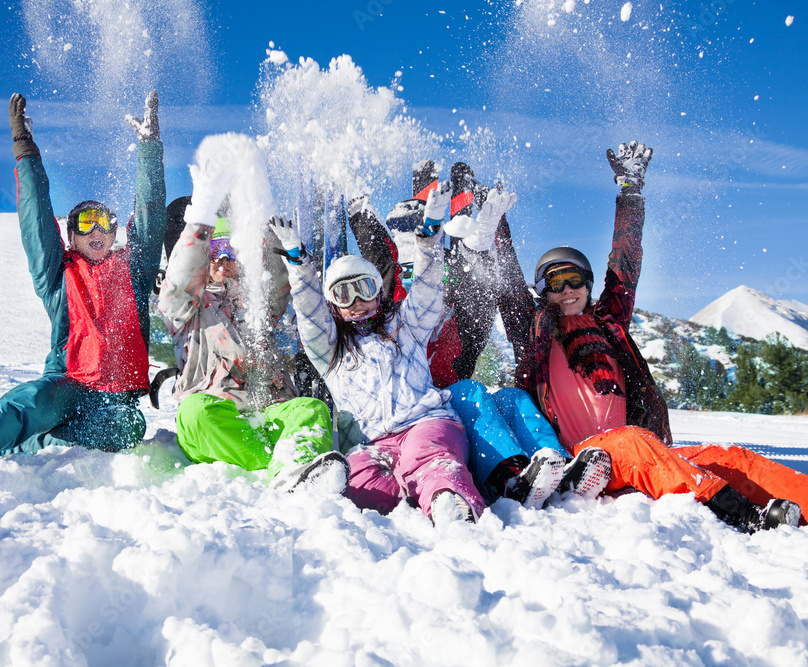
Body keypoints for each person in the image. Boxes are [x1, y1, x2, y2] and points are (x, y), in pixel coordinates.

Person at [459, 140, 803, 532]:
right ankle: (743, 514)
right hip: (581, 461)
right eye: (555, 282)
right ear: (542, 291)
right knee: (631, 442)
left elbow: (625, 262)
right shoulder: (537, 330)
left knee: (733, 457)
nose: (567, 289)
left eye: (575, 279)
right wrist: (493, 219)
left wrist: (631, 189)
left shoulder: (609, 323)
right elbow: (506, 281)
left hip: (644, 449)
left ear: (588, 285)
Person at [0, 91, 166, 471]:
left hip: (117, 396)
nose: (96, 230)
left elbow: (151, 220)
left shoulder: (133, 273)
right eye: (85, 224)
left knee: (129, 428)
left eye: (105, 222)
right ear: (71, 237)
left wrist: (150, 150)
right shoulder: (60, 274)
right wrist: (25, 150)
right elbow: (37, 224)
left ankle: (42, 438)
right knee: (33, 402)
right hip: (67, 382)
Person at [345, 182, 582, 510]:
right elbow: (384, 262)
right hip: (422, 414)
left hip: (451, 414)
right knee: (469, 391)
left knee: (512, 398)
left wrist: (485, 234)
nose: (435, 291)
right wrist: (359, 210)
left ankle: (558, 466)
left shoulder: (460, 318)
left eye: (442, 283)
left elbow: (471, 281)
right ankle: (507, 478)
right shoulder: (400, 314)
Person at [269, 183, 487, 525]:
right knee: (357, 475)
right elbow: (310, 316)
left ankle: (451, 503)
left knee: (428, 456)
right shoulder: (331, 351)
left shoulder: (407, 325)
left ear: (378, 291)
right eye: (344, 294)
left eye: (364, 288)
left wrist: (429, 239)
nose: (356, 302)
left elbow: (428, 293)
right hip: (372, 441)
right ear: (334, 306)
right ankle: (402, 497)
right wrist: (300, 266)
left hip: (425, 423)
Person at [157, 172, 346, 491]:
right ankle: (286, 461)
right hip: (218, 413)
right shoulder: (190, 307)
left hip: (267, 413)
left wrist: (262, 211)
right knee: (194, 414)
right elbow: (179, 282)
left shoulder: (258, 301)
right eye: (215, 250)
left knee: (311, 410)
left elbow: (276, 274)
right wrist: (202, 214)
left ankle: (292, 472)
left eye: (231, 249)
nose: (224, 259)